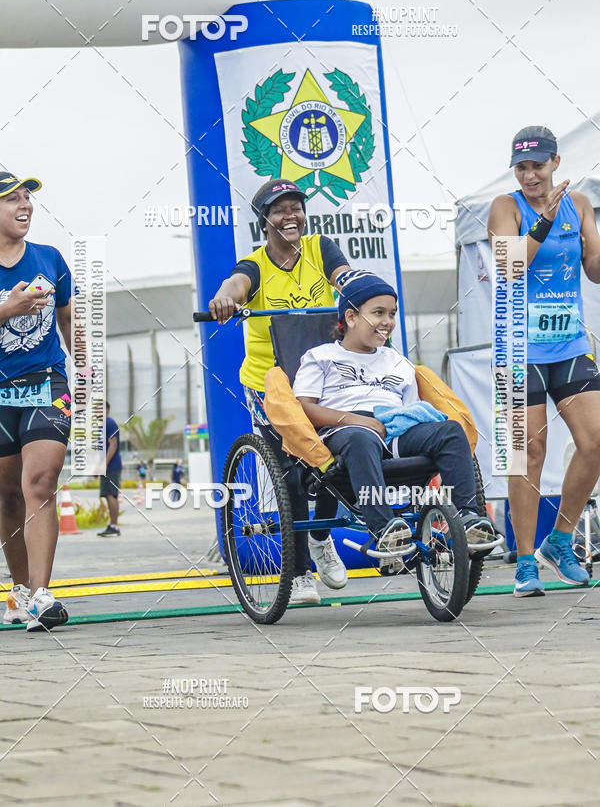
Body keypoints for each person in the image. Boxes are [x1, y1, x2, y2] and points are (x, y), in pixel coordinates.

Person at [209, 178, 350, 604]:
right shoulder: (254, 264)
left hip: (320, 378)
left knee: (335, 454)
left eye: (296, 208)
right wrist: (225, 298)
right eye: (280, 210)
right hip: (269, 382)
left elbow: (343, 275)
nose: (291, 216)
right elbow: (235, 284)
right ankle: (301, 571)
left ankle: (320, 538)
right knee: (290, 466)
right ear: (265, 221)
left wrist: (356, 286)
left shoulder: (321, 248)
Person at [292, 270, 492, 557]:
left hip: (393, 429)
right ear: (351, 317)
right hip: (343, 429)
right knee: (361, 438)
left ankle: (467, 516)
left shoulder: (397, 361)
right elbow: (303, 407)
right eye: (378, 313)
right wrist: (356, 420)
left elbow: (408, 409)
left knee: (450, 430)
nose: (387, 322)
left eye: (392, 314)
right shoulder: (321, 356)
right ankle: (383, 528)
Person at [488, 125, 600, 597]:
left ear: (556, 162)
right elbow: (509, 265)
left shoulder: (581, 204)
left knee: (595, 442)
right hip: (517, 349)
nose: (530, 175)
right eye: (522, 167)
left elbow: (594, 270)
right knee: (526, 453)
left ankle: (559, 540)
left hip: (569, 345)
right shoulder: (506, 207)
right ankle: (524, 561)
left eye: (538, 165)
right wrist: (545, 222)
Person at [0, 171, 72, 631]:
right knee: (6, 494)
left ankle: (43, 597)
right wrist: (6, 310)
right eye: (12, 199)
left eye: (27, 198)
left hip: (47, 383)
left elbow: (70, 320)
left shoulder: (50, 259)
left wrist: (89, 373)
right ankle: (21, 589)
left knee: (41, 483)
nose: (24, 205)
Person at [97, 402, 122, 537]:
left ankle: (114, 526)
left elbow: (113, 444)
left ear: (106, 409)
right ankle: (112, 525)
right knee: (107, 494)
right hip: (106, 466)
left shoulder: (109, 423)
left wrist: (105, 464)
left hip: (112, 466)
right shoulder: (102, 425)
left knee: (112, 494)